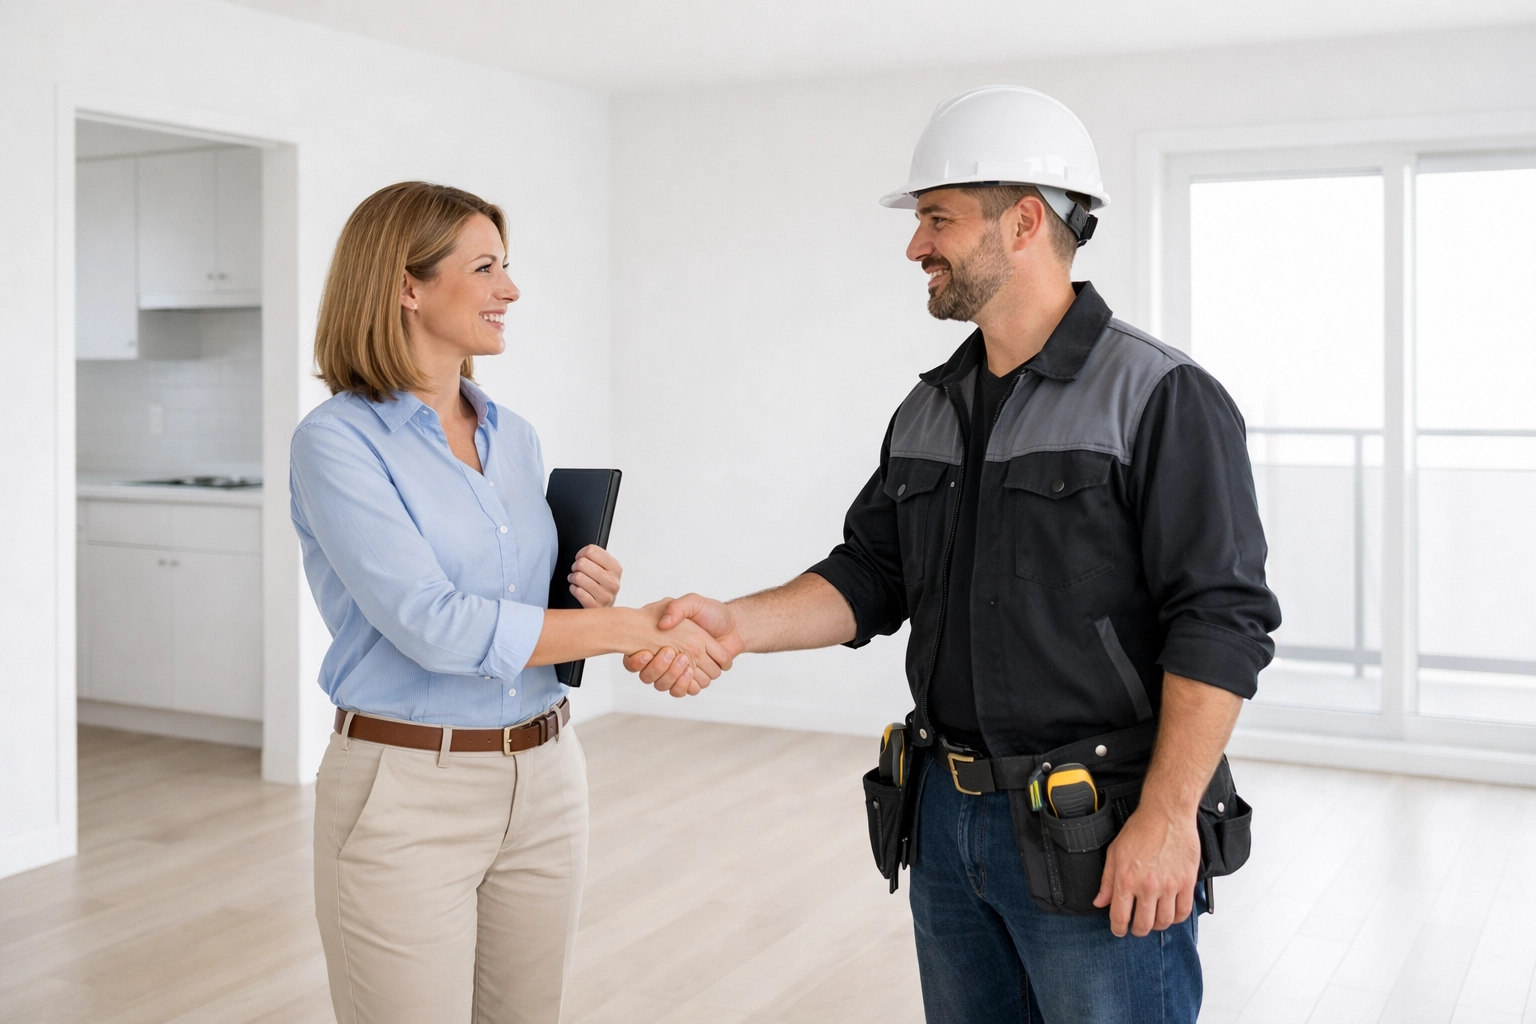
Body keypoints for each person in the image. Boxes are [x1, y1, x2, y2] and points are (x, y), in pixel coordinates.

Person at [626, 86, 1281, 1023]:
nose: (915, 245)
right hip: (945, 817)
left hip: (1096, 830)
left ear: (1023, 222)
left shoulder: (1161, 398)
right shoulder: (931, 407)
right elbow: (871, 573)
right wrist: (733, 626)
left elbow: (1221, 623)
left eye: (937, 218)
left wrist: (1168, 821)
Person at [291, 181, 729, 1024]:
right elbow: (433, 623)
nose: (511, 290)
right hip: (406, 788)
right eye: (485, 267)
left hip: (547, 774)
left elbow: (506, 602)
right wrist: (633, 626)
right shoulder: (337, 441)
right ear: (406, 285)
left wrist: (585, 592)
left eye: (507, 267)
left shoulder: (513, 436)